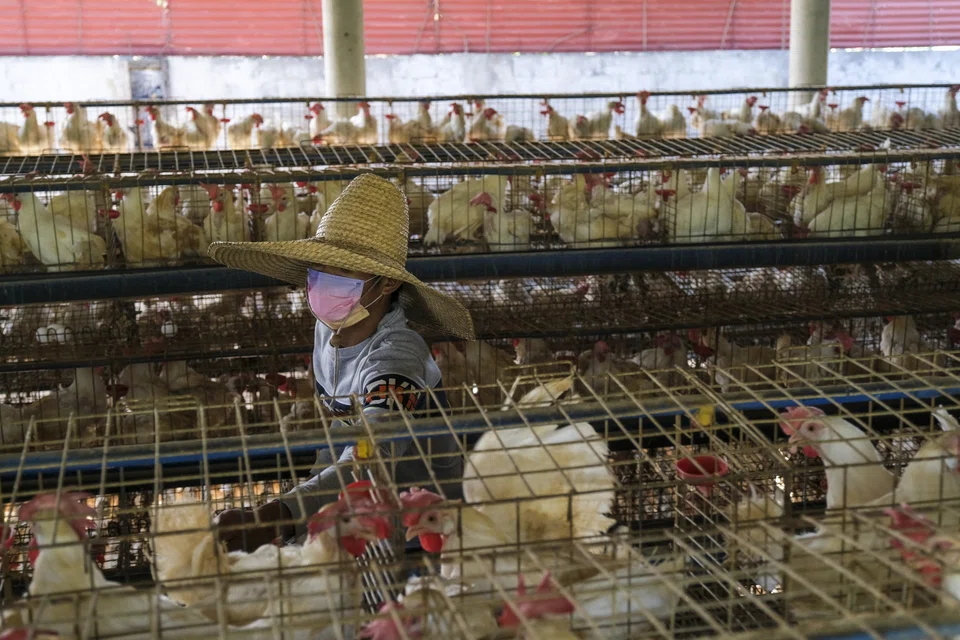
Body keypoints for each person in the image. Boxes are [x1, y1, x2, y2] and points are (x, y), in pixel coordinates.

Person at [207, 174, 475, 551]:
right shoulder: (328, 326)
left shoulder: (396, 357)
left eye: (344, 271)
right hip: (355, 513)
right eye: (320, 267)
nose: (325, 282)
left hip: (422, 525)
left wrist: (281, 513)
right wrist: (307, 508)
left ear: (387, 285)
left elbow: (374, 449)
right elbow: (340, 430)